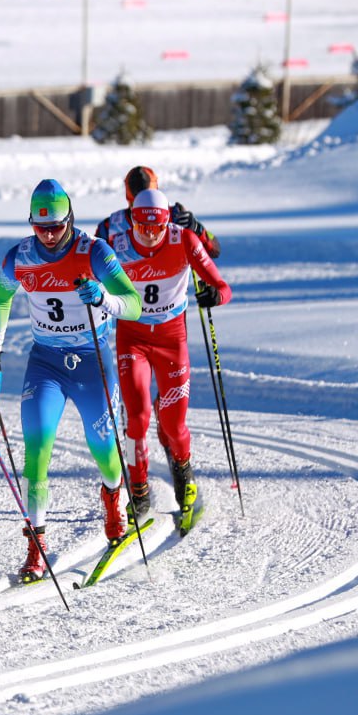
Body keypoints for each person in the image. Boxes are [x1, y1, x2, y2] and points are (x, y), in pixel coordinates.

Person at [0, 179, 144, 581]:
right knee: (36, 451)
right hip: (46, 363)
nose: (50, 235)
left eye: (57, 226)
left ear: (70, 219)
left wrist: (104, 299)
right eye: (42, 228)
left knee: (104, 450)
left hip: (93, 360)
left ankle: (113, 495)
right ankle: (36, 545)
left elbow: (135, 305)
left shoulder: (94, 252)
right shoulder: (18, 257)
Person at [99, 187, 232, 535]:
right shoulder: (117, 245)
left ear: (166, 223)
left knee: (174, 425)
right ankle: (139, 491)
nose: (149, 235)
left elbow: (222, 285)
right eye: (142, 227)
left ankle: (184, 478)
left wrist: (213, 294)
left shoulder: (184, 239)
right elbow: (87, 278)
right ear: (132, 222)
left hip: (172, 340)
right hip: (133, 339)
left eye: (156, 228)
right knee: (138, 416)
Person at [95, 165, 220, 260]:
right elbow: (92, 266)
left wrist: (197, 229)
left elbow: (214, 251)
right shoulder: (109, 227)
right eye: (138, 207)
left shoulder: (177, 216)